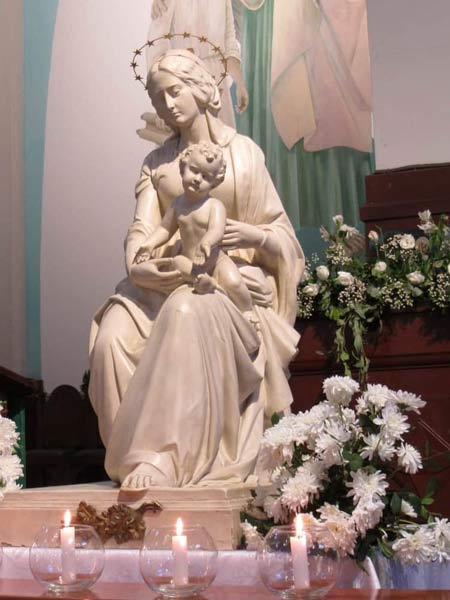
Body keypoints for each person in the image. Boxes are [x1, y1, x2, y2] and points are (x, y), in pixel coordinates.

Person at [89, 49, 304, 491]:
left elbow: (281, 235)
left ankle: (162, 458)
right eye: (158, 97)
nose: (167, 104)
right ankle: (128, 460)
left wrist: (253, 236)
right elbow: (144, 228)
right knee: (111, 338)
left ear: (201, 88)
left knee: (183, 312)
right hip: (163, 278)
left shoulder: (243, 154)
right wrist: (139, 265)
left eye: (174, 91)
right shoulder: (157, 163)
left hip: (218, 284)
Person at [134, 141, 258, 327]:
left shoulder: (214, 206)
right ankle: (206, 283)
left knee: (234, 283)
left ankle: (247, 311)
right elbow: (165, 229)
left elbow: (217, 230)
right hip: (190, 261)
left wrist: (206, 243)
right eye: (194, 171)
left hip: (215, 260)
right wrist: (149, 244)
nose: (198, 179)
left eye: (206, 177)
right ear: (183, 168)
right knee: (177, 263)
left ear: (215, 183)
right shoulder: (178, 205)